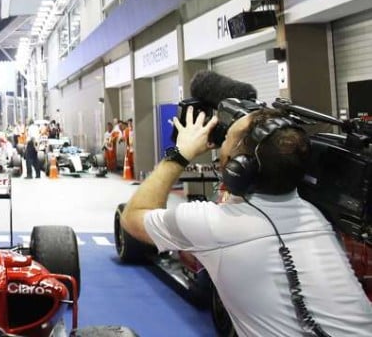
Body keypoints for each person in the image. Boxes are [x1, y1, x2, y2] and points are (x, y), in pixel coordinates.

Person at [121, 107, 372, 337]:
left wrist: (180, 152)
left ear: (239, 168)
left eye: (227, 138)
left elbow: (133, 217)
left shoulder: (213, 225)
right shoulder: (318, 217)